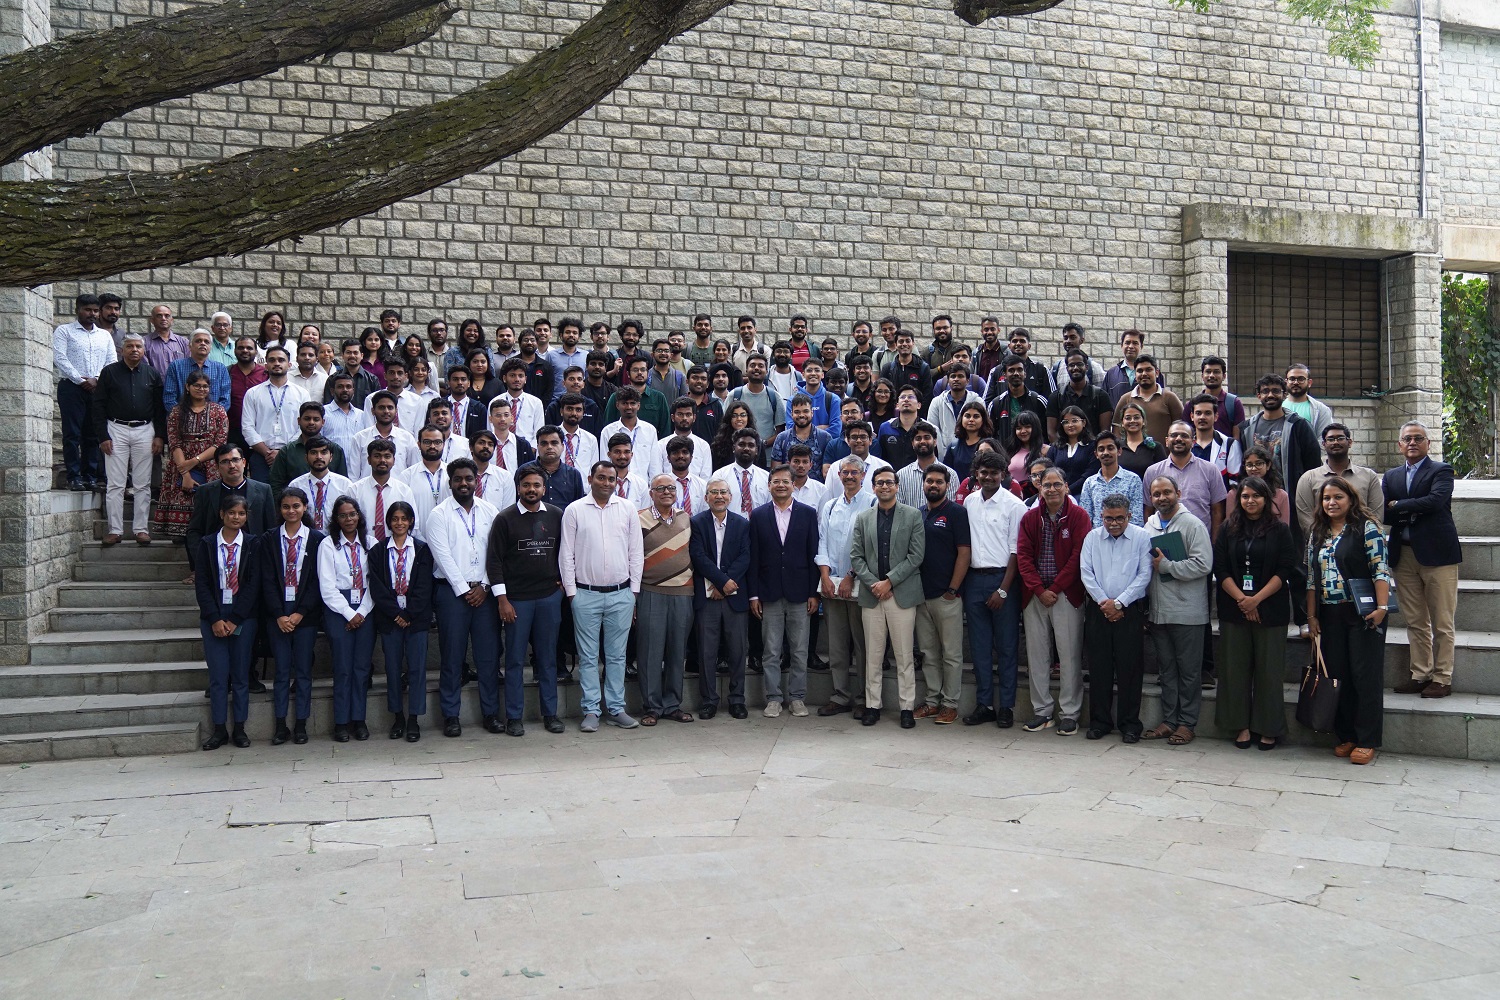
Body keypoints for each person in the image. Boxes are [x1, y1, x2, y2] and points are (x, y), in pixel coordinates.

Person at [1308, 476, 1393, 765]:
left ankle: (1367, 739)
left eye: (1337, 497)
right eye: (1326, 498)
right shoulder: (1317, 531)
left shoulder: (1365, 528)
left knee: (1364, 676)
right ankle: (1346, 735)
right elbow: (1310, 578)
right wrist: (1311, 616)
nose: (1331, 503)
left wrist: (1382, 607)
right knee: (1338, 676)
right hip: (1329, 615)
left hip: (1364, 614)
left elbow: (1380, 568)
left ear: (1351, 500)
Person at [1213, 475, 1296, 750]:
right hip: (1234, 608)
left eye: (1256, 496)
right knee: (1234, 670)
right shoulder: (1228, 528)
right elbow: (1221, 568)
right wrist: (1243, 600)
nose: (1250, 501)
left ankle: (1268, 727)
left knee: (1269, 671)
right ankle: (1242, 726)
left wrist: (1256, 600)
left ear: (1266, 499)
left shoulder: (1280, 530)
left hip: (1270, 608)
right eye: (1245, 496)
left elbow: (1284, 569)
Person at [562, 461, 645, 732]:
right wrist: (573, 594)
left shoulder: (627, 509)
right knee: (587, 656)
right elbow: (566, 555)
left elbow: (635, 552)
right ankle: (590, 710)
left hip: (621, 594)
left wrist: (633, 592)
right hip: (585, 595)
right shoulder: (574, 510)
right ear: (590, 479)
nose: (606, 483)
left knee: (617, 656)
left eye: (611, 479)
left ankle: (616, 708)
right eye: (601, 478)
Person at [1383, 421, 1462, 699]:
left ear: (1428, 443)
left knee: (1442, 621)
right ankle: (1420, 674)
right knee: (1415, 621)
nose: (1412, 443)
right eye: (1407, 439)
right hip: (1403, 555)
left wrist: (1400, 505)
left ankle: (1442, 678)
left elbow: (1436, 501)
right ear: (1399, 445)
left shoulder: (1441, 470)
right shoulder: (1391, 476)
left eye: (1418, 438)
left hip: (1437, 555)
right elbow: (1385, 514)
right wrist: (1404, 508)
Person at [488, 464, 567, 736]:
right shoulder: (504, 518)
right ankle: (513, 717)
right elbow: (495, 562)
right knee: (514, 661)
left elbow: (567, 552)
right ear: (518, 488)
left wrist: (562, 584)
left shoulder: (557, 515)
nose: (531, 490)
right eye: (526, 485)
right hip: (516, 601)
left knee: (547, 660)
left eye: (536, 485)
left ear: (544, 489)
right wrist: (502, 600)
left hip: (548, 598)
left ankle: (551, 714)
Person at [428, 458, 502, 737]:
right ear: (450, 483)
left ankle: (491, 713)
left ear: (476, 481)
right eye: (457, 479)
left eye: (468, 479)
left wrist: (483, 585)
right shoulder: (439, 514)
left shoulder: (490, 511)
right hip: (451, 593)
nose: (463, 484)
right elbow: (442, 556)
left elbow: (495, 552)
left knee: (488, 657)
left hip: (485, 592)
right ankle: (450, 716)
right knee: (451, 655)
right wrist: (464, 589)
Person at [849, 467, 926, 727]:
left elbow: (916, 556)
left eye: (889, 482)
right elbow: (856, 558)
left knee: (904, 655)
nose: (884, 486)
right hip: (873, 595)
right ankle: (873, 705)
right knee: (873, 654)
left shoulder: (913, 516)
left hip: (901, 594)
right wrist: (875, 584)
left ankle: (906, 707)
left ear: (896, 486)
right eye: (879, 482)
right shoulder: (863, 518)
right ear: (873, 486)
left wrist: (890, 581)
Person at [1016, 466, 1091, 735]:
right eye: (1046, 485)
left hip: (1066, 595)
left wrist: (1055, 588)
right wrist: (1038, 589)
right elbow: (1023, 557)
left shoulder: (1079, 516)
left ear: (1067, 487)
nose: (1051, 489)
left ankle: (1070, 713)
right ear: (1039, 488)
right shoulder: (1029, 518)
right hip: (1035, 596)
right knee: (1037, 656)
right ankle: (1042, 711)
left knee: (1069, 655)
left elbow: (1078, 557)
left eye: (1057, 484)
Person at [1141, 474, 1213, 745]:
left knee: (1189, 671)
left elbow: (1204, 564)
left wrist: (1169, 567)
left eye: (1167, 492)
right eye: (1156, 494)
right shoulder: (1148, 527)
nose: (1162, 498)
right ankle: (1169, 720)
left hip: (1188, 612)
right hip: (1159, 611)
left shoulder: (1193, 524)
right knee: (1167, 670)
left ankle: (1187, 723)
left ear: (1178, 493)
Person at [1078, 493, 1153, 741]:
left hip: (1129, 610)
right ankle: (1100, 722)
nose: (1114, 523)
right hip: (1099, 610)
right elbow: (1086, 573)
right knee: (1099, 667)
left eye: (1120, 518)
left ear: (1129, 516)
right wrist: (1105, 603)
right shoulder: (1092, 538)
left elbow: (1144, 574)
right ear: (1101, 515)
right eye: (1109, 518)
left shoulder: (1142, 537)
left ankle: (1130, 724)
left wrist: (1119, 603)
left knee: (1130, 669)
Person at [748, 465, 821, 717]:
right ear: (768, 485)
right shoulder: (757, 516)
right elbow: (754, 557)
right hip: (769, 592)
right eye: (775, 481)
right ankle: (773, 698)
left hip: (801, 592)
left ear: (793, 485)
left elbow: (814, 554)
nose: (780, 485)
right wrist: (754, 594)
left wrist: (814, 592)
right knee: (771, 650)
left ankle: (798, 697)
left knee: (800, 649)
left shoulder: (808, 514)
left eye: (785, 481)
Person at [962, 451, 1025, 728]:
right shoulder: (969, 503)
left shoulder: (1014, 505)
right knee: (979, 647)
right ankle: (984, 704)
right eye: (983, 472)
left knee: (1007, 647)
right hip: (974, 580)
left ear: (1003, 475)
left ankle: (1007, 706)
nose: (988, 477)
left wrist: (1003, 590)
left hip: (1004, 580)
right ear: (976, 474)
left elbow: (1016, 551)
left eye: (993, 473)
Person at [194, 492, 260, 751]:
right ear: (222, 514)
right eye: (231, 512)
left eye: (241, 513)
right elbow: (202, 584)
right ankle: (219, 729)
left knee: (241, 674)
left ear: (246, 516)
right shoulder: (208, 544)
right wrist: (215, 618)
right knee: (219, 676)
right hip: (214, 616)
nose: (236, 517)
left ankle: (240, 728)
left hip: (243, 616)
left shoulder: (253, 544)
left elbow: (253, 584)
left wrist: (235, 618)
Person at [259, 487, 324, 747]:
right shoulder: (269, 538)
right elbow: (266, 579)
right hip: (277, 616)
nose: (291, 511)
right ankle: (280, 725)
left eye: (296, 506)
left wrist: (300, 612)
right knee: (281, 672)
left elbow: (318, 580)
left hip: (304, 615)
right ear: (280, 509)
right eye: (286, 507)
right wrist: (279, 614)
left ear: (305, 507)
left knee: (304, 672)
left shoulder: (317, 539)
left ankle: (301, 724)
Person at [815, 457, 876, 718]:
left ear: (863, 476)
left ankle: (864, 698)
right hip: (832, 586)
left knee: (863, 646)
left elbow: (870, 547)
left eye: (855, 472)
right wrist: (826, 576)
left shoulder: (872, 503)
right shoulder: (830, 506)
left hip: (860, 585)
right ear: (838, 476)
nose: (850, 476)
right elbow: (822, 543)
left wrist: (851, 575)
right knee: (837, 645)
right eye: (845, 472)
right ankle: (840, 695)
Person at [634, 476, 697, 726]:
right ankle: (651, 707)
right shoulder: (639, 518)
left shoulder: (686, 517)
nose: (667, 492)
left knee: (676, 651)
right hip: (650, 592)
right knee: (649, 652)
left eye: (671, 488)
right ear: (651, 493)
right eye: (660, 488)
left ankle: (672, 704)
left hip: (683, 593)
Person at [94, 333, 166, 544]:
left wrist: (160, 436)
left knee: (142, 484)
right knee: (115, 484)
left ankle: (141, 529)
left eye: (138, 347)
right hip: (115, 429)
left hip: (145, 430)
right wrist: (102, 436)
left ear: (144, 351)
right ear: (122, 350)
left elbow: (160, 409)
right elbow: (97, 405)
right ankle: (115, 530)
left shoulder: (152, 374)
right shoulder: (109, 373)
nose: (134, 350)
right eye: (130, 346)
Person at [691, 477, 753, 720]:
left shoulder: (742, 523)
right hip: (707, 597)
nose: (719, 496)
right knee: (706, 652)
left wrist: (726, 584)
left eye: (723, 492)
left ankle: (737, 699)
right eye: (713, 492)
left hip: (734, 596)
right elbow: (698, 556)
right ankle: (708, 700)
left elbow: (745, 556)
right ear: (706, 497)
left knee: (738, 651)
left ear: (731, 496)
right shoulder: (696, 523)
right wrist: (720, 581)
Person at [912, 466, 971, 725]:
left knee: (951, 653)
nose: (933, 485)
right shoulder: (919, 514)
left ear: (947, 485)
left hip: (946, 596)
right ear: (923, 484)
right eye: (929, 481)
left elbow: (964, 553)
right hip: (920, 595)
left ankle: (950, 704)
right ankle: (932, 701)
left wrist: (953, 589)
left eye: (938, 481)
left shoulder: (957, 513)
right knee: (928, 652)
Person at [317, 496, 376, 742]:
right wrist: (350, 613)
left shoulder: (371, 543)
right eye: (343, 515)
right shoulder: (328, 545)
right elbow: (327, 587)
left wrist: (362, 611)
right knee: (343, 668)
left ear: (359, 516)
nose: (348, 519)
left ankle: (359, 720)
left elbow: (376, 582)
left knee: (362, 668)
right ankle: (341, 722)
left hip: (366, 607)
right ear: (336, 519)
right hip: (337, 610)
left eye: (352, 514)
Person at [185, 444, 277, 587]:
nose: (232, 465)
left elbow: (271, 529)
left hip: (253, 560)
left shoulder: (263, 490)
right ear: (217, 466)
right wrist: (202, 559)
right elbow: (195, 530)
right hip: (216, 561)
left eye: (235, 460)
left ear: (244, 462)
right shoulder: (206, 492)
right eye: (225, 461)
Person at [156, 372, 230, 546]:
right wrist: (185, 473)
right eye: (197, 385)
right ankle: (181, 534)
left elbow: (219, 443)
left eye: (205, 386)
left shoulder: (218, 411)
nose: (201, 389)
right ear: (188, 387)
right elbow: (174, 442)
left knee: (208, 501)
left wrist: (195, 460)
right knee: (183, 494)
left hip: (211, 463)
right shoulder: (176, 412)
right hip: (181, 461)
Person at [53, 293, 116, 490]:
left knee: (92, 434)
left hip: (96, 389)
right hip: (71, 387)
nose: (92, 314)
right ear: (78, 309)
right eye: (87, 310)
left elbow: (111, 361)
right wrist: (80, 380)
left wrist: (97, 379)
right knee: (72, 433)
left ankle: (90, 475)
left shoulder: (104, 335)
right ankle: (74, 476)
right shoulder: (65, 331)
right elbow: (59, 357)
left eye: (95, 310)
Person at [1239, 373, 1320, 510]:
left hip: (1291, 499)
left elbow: (1313, 465)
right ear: (1259, 396)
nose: (1270, 395)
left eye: (1276, 391)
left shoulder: (1299, 426)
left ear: (1284, 395)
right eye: (1265, 391)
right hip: (1255, 500)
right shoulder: (1246, 429)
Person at [1295, 423, 1383, 538]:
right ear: (1323, 444)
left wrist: (1358, 540)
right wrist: (1327, 539)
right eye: (1330, 439)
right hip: (1322, 545)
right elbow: (1305, 518)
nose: (1335, 442)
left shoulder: (1369, 476)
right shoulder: (1308, 478)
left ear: (1350, 442)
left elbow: (1376, 514)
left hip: (1360, 545)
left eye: (1340, 438)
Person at [1144, 421, 1227, 536]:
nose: (1178, 439)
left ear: (1193, 442)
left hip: (1200, 540)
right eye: (1174, 435)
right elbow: (1148, 509)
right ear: (1167, 441)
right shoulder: (1152, 472)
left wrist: (1214, 543)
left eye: (1184, 435)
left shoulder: (1210, 470)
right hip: (1163, 541)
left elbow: (1217, 511)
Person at [240, 344, 308, 483]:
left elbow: (304, 427)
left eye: (281, 360)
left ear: (289, 365)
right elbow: (247, 427)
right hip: (261, 456)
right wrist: (267, 453)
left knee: (292, 497)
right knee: (262, 499)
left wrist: (283, 452)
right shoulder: (253, 393)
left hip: (292, 454)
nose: (277, 363)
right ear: (266, 365)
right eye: (272, 360)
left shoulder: (301, 393)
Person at [269, 402, 350, 493]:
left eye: (316, 419)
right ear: (299, 421)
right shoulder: (287, 451)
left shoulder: (335, 450)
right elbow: (275, 485)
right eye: (307, 419)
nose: (311, 422)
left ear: (323, 422)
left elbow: (343, 483)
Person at [352, 438, 417, 544]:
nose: (382, 460)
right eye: (377, 456)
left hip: (395, 551)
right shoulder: (355, 490)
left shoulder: (404, 491)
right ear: (369, 460)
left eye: (387, 456)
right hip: (363, 548)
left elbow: (413, 525)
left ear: (394, 460)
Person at [349, 390, 420, 480]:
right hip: (366, 492)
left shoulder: (407, 438)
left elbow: (414, 471)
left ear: (396, 411)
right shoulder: (360, 438)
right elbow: (353, 474)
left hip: (398, 492)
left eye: (390, 408)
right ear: (373, 411)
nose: (386, 411)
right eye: (381, 407)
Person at [1111, 354, 1182, 443]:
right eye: (1140, 371)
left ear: (1156, 373)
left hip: (1164, 455)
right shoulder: (1125, 399)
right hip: (1134, 455)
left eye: (1148, 370)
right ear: (1135, 375)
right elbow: (1117, 430)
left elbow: (1182, 427)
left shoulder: (1170, 398)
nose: (1144, 374)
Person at [289, 437, 354, 533]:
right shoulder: (296, 485)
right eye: (314, 453)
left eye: (323, 452)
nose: (319, 457)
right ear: (306, 457)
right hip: (305, 539)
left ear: (331, 457)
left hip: (335, 540)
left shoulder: (345, 485)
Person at [1078, 431, 1144, 526]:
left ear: (1119, 451)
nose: (1106, 452)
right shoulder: (1089, 483)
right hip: (1098, 538)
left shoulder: (1133, 480)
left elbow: (1137, 518)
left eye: (1110, 448)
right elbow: (1086, 518)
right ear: (1096, 454)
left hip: (1127, 538)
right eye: (1101, 449)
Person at [1048, 349, 1115, 438]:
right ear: (1067, 368)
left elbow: (1105, 431)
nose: (1075, 368)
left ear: (1086, 367)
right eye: (1071, 365)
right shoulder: (1056, 397)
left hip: (1093, 449)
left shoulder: (1101, 396)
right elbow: (1051, 432)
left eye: (1079, 364)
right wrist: (1062, 451)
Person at [987, 353, 1049, 448]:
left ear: (1025, 374)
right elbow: (991, 435)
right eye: (1011, 370)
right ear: (1005, 375)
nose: (1016, 373)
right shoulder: (996, 404)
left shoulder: (1038, 401)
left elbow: (1046, 432)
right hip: (1006, 457)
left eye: (1019, 370)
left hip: (1034, 456)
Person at [1187, 392, 1241, 489]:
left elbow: (1235, 484)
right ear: (1192, 416)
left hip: (1221, 502)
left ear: (1216, 416)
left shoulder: (1229, 444)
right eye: (1198, 413)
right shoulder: (1185, 445)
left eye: (1207, 413)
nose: (1202, 417)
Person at [926, 364, 984, 455]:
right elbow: (932, 430)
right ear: (948, 381)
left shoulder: (977, 401)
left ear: (968, 381)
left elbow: (983, 428)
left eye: (960, 376)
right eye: (953, 376)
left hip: (972, 452)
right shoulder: (937, 402)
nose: (956, 379)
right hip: (944, 455)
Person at [714, 428, 772, 516]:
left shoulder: (766, 477)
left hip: (759, 527)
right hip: (730, 527)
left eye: (751, 445)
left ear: (756, 450)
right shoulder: (720, 476)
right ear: (734, 448)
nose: (746, 448)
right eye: (741, 444)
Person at [652, 398, 714, 480]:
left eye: (688, 415)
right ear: (673, 417)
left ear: (694, 417)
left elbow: (706, 477)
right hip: (667, 490)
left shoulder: (703, 445)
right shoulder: (661, 445)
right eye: (680, 414)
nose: (684, 418)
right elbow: (657, 474)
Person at [1047, 405, 1100, 496]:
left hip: (1084, 493)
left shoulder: (1092, 446)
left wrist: (1069, 490)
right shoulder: (1055, 447)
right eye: (1066, 422)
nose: (1070, 425)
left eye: (1074, 421)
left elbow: (1091, 473)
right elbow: (1048, 470)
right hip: (1057, 493)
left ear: (1083, 423)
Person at [1190, 355, 1244, 441]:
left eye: (1216, 372)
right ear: (1202, 376)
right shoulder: (1192, 404)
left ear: (1224, 376)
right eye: (1208, 372)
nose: (1211, 375)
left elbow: (1237, 439)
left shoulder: (1234, 403)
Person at [321, 371, 373, 458]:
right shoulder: (323, 413)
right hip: (332, 465)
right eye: (340, 387)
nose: (345, 390)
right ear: (332, 391)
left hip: (356, 465)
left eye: (348, 387)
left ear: (353, 390)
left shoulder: (361, 415)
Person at [729, 355, 782, 438]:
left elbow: (780, 431)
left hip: (767, 450)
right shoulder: (734, 395)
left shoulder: (774, 396)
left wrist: (763, 444)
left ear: (767, 371)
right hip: (738, 449)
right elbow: (725, 425)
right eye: (752, 365)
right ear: (746, 370)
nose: (756, 368)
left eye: (761, 366)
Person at [876, 385, 925, 470]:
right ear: (897, 405)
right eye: (902, 397)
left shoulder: (928, 428)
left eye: (911, 397)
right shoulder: (885, 427)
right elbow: (880, 457)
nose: (906, 399)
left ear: (919, 405)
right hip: (891, 478)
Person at [1047, 322, 1106, 392]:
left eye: (1072, 337)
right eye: (1065, 338)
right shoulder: (1056, 369)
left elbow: (1103, 394)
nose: (1068, 341)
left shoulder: (1093, 367)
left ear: (1081, 340)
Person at [880, 330, 934, 404]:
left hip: (916, 413)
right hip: (893, 413)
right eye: (901, 341)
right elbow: (883, 393)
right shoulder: (888, 369)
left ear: (913, 344)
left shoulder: (923, 368)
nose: (904, 344)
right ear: (895, 345)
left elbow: (927, 396)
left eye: (908, 341)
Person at [1116, 400, 1165, 481]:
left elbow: (1163, 475)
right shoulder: (1117, 448)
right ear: (1122, 423)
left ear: (1143, 422)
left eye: (1136, 417)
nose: (1132, 421)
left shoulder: (1156, 447)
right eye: (1128, 418)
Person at [1101, 328, 1152, 405]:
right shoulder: (1111, 374)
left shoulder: (1152, 373)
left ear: (1141, 346)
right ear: (1122, 346)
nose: (1131, 346)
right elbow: (1104, 404)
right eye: (1127, 343)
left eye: (1135, 343)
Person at [942, 400, 991, 478]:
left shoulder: (989, 445)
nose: (971, 420)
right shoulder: (953, 446)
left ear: (983, 420)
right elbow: (946, 473)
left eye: (976, 416)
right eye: (967, 416)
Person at [469, 431, 517, 509]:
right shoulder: (461, 475)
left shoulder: (504, 476)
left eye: (490, 444)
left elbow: (508, 509)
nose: (486, 447)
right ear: (471, 447)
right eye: (481, 443)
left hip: (496, 521)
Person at [1283, 363, 1334, 437]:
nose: (1296, 382)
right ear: (1286, 382)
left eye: (1301, 379)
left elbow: (1324, 439)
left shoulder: (1321, 410)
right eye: (1292, 379)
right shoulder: (1278, 406)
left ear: (1309, 383)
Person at [143, 304, 190, 375]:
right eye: (159, 316)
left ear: (171, 320)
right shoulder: (144, 343)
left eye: (167, 316)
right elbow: (144, 370)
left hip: (179, 385)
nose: (163, 318)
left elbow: (189, 366)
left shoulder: (184, 342)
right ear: (152, 320)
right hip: (155, 385)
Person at [1006, 410, 1046, 489]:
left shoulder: (1046, 450)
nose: (1023, 431)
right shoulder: (1010, 451)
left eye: (1027, 427)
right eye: (1019, 428)